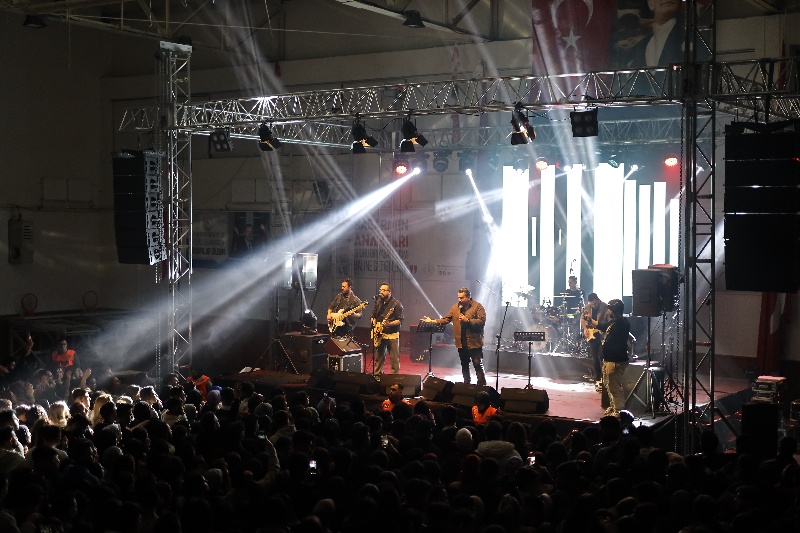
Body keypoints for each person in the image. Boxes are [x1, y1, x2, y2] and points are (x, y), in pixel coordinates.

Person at [423, 287, 487, 385]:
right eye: (458, 298)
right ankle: (466, 384)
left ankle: (482, 384)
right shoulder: (455, 307)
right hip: (461, 342)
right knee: (464, 364)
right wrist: (433, 321)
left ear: (468, 297)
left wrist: (468, 320)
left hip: (474, 342)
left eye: (462, 298)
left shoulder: (478, 307)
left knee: (477, 364)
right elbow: (446, 319)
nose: (459, 300)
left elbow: (482, 321)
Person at [587, 299, 631, 416]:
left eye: (610, 309)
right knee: (609, 386)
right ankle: (613, 407)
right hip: (608, 360)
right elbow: (601, 326)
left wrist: (613, 309)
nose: (608, 311)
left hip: (616, 361)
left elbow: (618, 320)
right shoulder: (612, 323)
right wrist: (589, 320)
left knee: (615, 388)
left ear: (615, 310)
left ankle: (619, 411)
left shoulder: (622, 323)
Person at [371, 283, 403, 378]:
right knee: (379, 357)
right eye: (380, 290)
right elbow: (373, 316)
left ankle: (395, 378)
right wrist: (375, 326)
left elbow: (400, 320)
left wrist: (390, 323)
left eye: (383, 290)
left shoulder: (396, 304)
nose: (381, 292)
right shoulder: (378, 302)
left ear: (389, 292)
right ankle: (377, 376)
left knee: (394, 358)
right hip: (380, 334)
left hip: (392, 334)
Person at [581, 293, 612, 391]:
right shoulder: (587, 307)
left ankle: (604, 378)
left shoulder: (606, 308)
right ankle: (598, 378)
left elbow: (610, 323)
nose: (593, 306)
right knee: (595, 358)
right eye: (592, 304)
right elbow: (582, 319)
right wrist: (585, 328)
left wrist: (603, 328)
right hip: (592, 335)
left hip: (602, 335)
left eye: (595, 304)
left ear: (598, 300)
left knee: (601, 356)